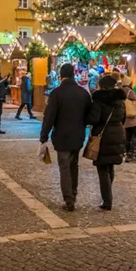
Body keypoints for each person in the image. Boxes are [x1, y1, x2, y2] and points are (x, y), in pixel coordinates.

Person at [40, 63, 92, 211]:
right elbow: (89, 116)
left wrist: (44, 135)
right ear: (73, 74)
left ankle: (69, 199)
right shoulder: (83, 93)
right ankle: (73, 194)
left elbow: (49, 116)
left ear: (61, 75)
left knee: (64, 167)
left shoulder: (56, 93)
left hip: (62, 136)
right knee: (73, 166)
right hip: (78, 136)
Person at [87, 75, 127, 211]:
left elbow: (94, 119)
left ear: (102, 86)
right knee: (110, 166)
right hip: (118, 134)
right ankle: (108, 196)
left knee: (103, 168)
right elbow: (124, 118)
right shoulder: (120, 100)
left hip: (103, 136)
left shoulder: (99, 100)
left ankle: (107, 201)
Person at [115, 73, 136, 163]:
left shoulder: (119, 90)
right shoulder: (129, 91)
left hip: (124, 116)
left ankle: (127, 153)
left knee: (128, 136)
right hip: (132, 116)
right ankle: (131, 154)